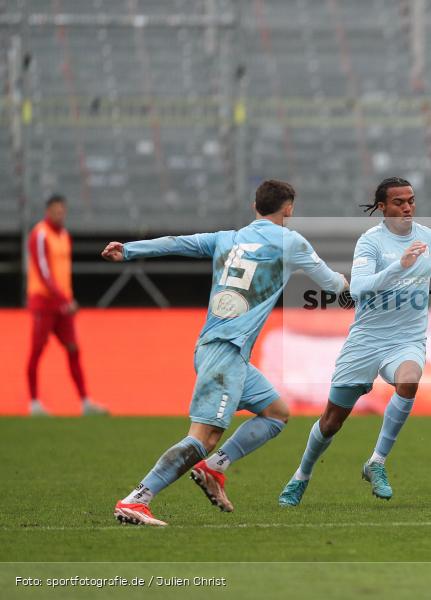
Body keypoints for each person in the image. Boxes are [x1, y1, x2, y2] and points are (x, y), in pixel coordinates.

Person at [101, 180, 348, 526]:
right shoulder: (290, 242)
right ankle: (137, 499)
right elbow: (332, 285)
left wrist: (127, 251)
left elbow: (176, 243)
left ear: (254, 206)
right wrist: (355, 283)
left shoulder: (226, 238)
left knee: (276, 413)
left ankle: (214, 468)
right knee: (204, 436)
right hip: (226, 353)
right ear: (289, 209)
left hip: (212, 348)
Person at [278, 177, 431, 506]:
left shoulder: (430, 239)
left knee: (409, 381)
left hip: (406, 340)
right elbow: (359, 288)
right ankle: (301, 475)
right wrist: (399, 265)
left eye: (411, 200)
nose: (407, 207)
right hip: (365, 341)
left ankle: (376, 462)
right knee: (332, 420)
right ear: (382, 207)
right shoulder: (370, 243)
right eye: (398, 202)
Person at [26, 195, 105, 416]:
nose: (60, 214)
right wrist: (65, 299)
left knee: (73, 349)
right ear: (48, 211)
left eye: (63, 211)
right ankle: (33, 403)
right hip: (44, 303)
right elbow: (44, 272)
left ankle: (85, 401)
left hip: (63, 306)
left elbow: (62, 273)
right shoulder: (40, 234)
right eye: (56, 211)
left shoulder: (64, 235)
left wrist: (66, 299)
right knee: (36, 351)